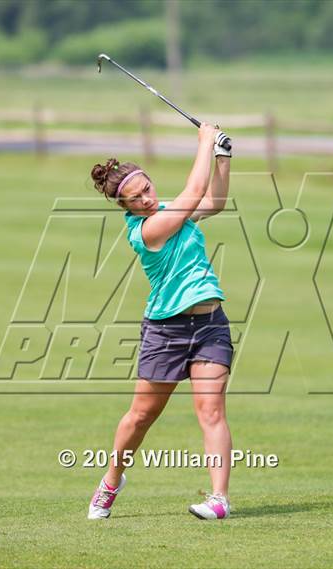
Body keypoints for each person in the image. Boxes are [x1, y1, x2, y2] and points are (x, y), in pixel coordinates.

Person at [88, 124, 234, 520]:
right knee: (140, 417)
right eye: (136, 199)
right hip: (165, 332)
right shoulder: (147, 231)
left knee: (212, 411)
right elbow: (191, 195)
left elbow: (214, 202)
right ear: (127, 208)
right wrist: (204, 142)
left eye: (147, 189)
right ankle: (112, 479)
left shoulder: (169, 211)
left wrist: (222, 157)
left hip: (210, 327)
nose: (146, 200)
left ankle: (219, 499)